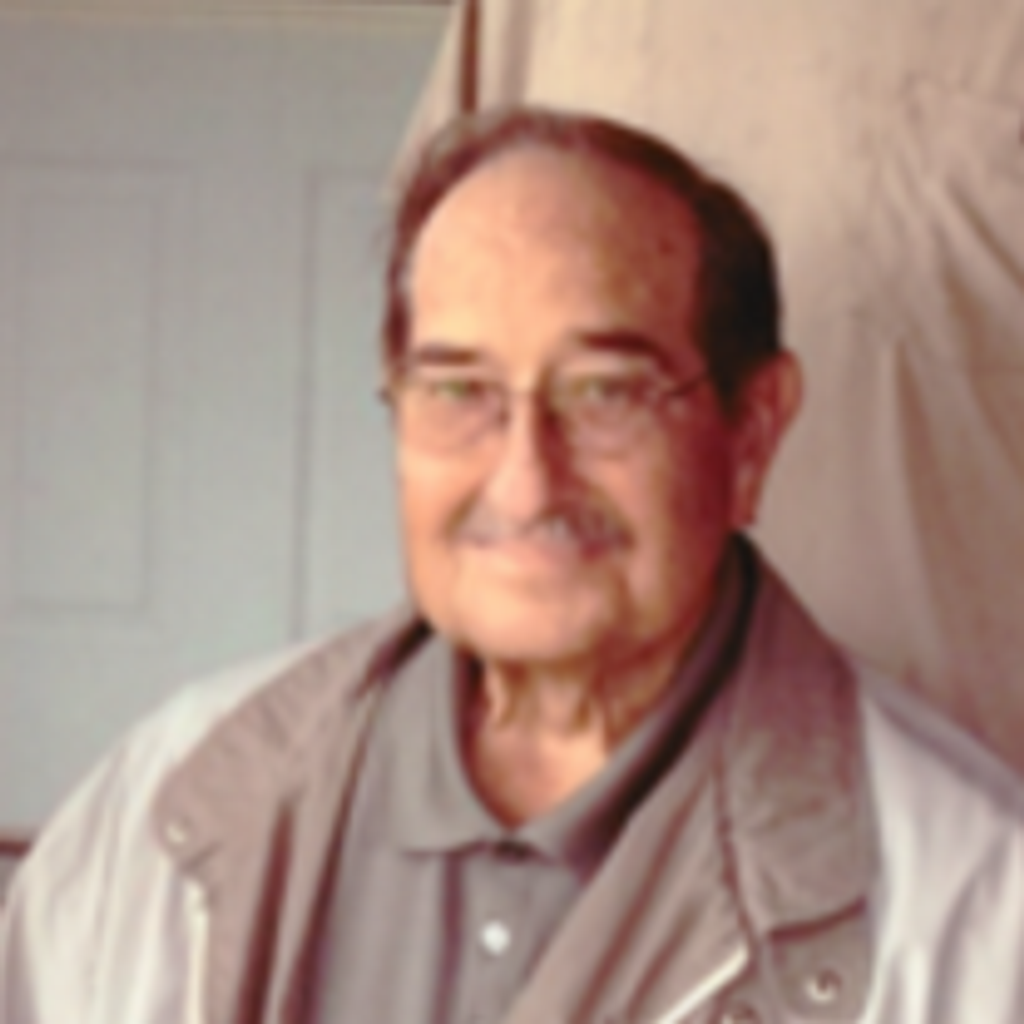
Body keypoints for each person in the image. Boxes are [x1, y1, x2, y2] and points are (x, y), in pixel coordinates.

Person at [2, 107, 1022, 1024]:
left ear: (749, 433)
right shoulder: (168, 805)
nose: (527, 481)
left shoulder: (978, 904)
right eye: (459, 390)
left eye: (606, 391)